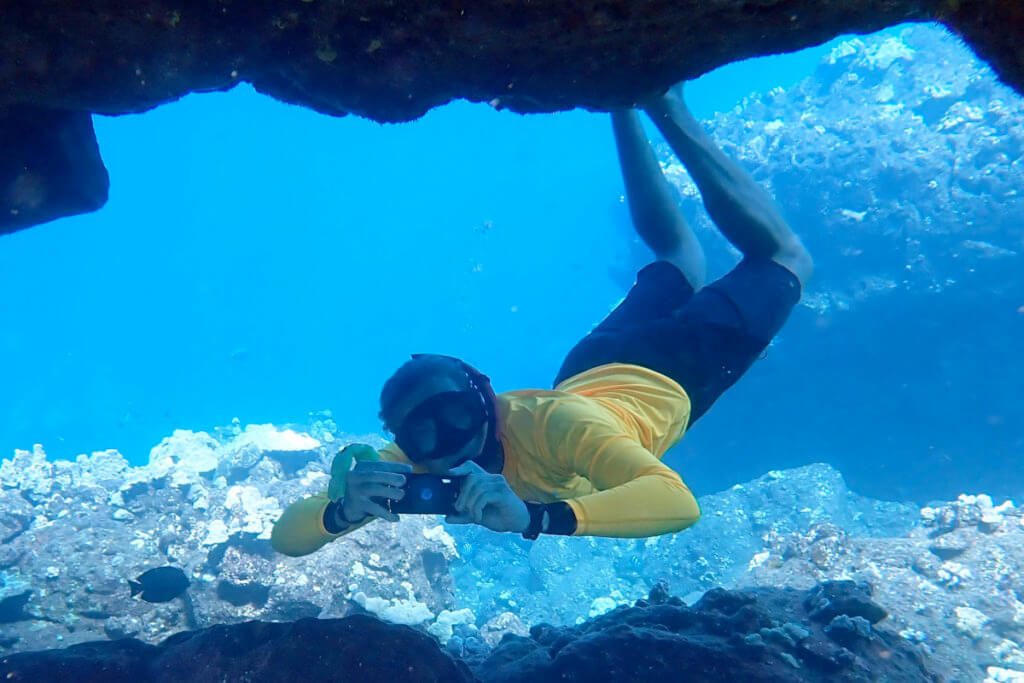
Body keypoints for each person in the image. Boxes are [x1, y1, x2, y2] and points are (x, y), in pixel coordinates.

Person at [271, 85, 813, 557]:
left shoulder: (553, 428)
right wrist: (340, 511)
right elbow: (284, 539)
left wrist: (538, 519)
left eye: (456, 416)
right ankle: (624, 102)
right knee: (678, 260)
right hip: (590, 366)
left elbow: (677, 502)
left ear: (487, 399)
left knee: (786, 258)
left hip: (668, 374)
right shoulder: (411, 465)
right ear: (404, 442)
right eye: (423, 433)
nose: (449, 446)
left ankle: (670, 105)